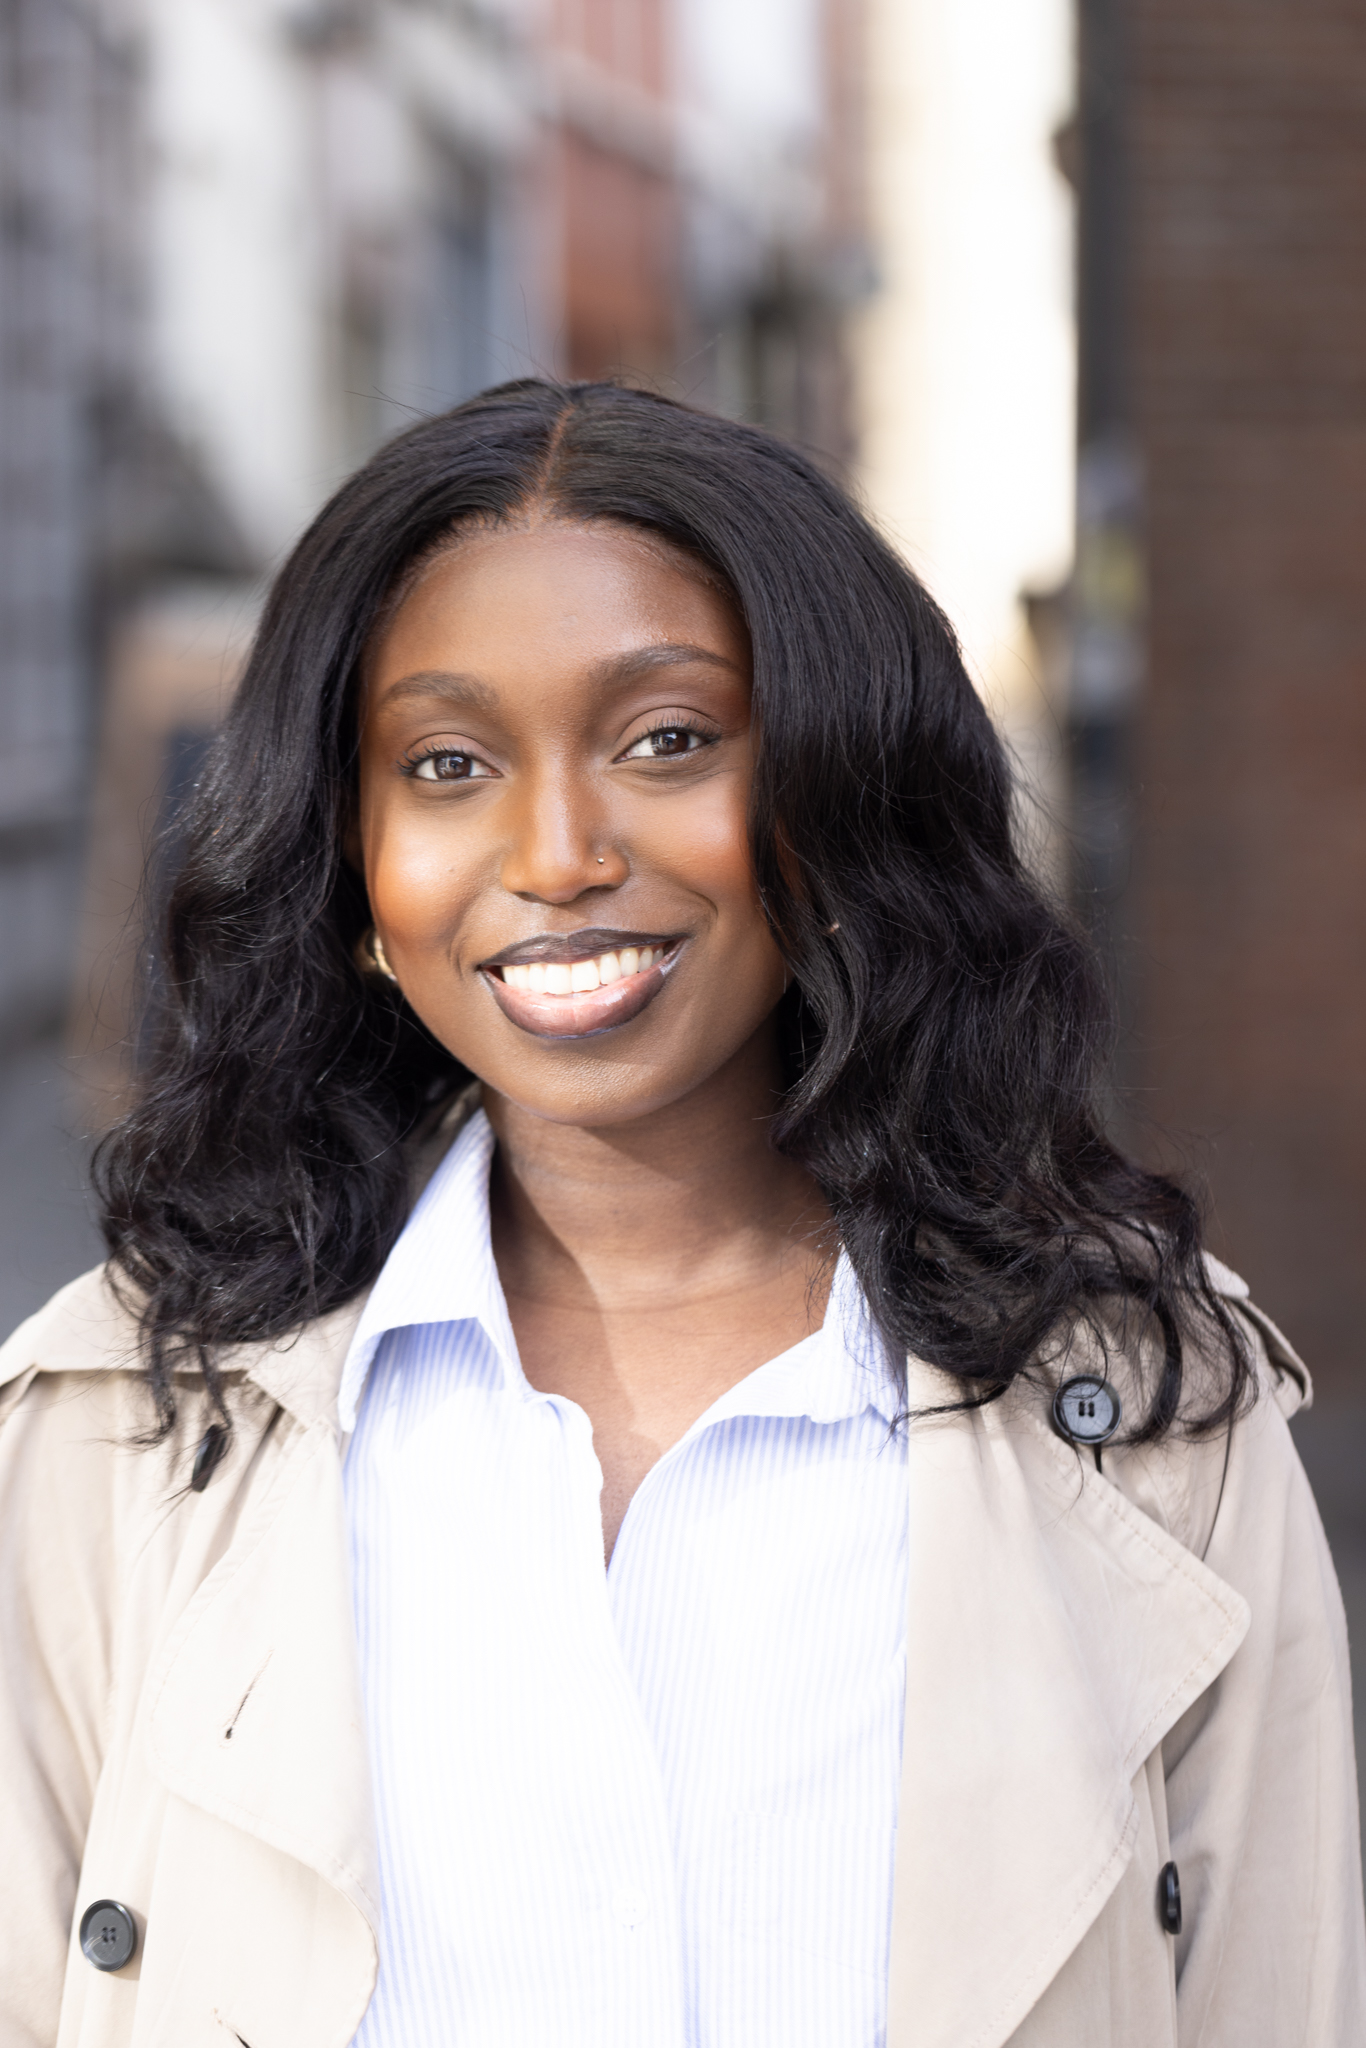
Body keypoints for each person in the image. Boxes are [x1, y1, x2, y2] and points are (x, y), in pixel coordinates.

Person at [0, 380, 1361, 2048]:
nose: (559, 850)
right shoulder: (102, 1435)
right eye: (446, 764)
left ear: (836, 793)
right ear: (352, 866)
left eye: (667, 740)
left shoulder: (1159, 1421)